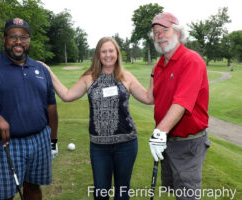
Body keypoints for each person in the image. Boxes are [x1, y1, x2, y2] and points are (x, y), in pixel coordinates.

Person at [42, 37, 153, 200]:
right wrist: (48, 70)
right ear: (98, 55)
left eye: (111, 51)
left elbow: (148, 98)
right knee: (100, 193)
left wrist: (155, 74)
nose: (108, 55)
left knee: (122, 193)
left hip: (126, 144)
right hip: (99, 147)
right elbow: (66, 95)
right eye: (104, 51)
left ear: (117, 53)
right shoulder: (89, 77)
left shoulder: (126, 77)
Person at [0, 18, 58, 200]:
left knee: (33, 186)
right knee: (4, 195)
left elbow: (51, 106)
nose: (18, 42)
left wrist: (53, 141)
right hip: (6, 143)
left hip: (40, 139)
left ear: (29, 40)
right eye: (13, 36)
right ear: (4, 39)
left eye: (24, 37)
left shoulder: (40, 69)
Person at [148, 12, 211, 199]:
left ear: (177, 32)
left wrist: (160, 131)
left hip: (188, 144)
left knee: (186, 195)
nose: (159, 36)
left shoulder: (191, 60)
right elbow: (151, 97)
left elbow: (182, 102)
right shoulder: (159, 65)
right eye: (156, 33)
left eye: (164, 30)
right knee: (174, 191)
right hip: (168, 142)